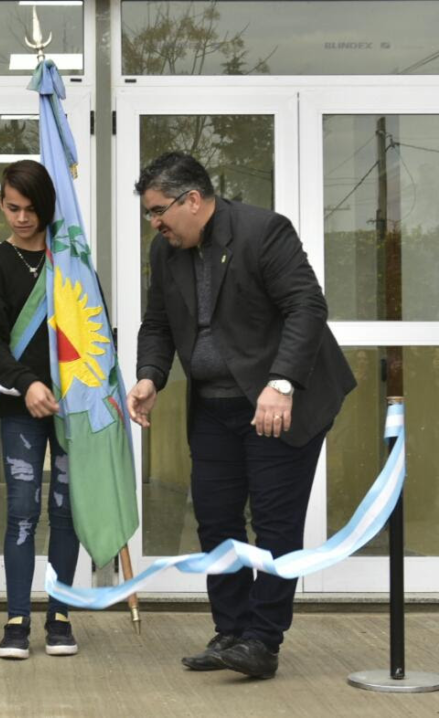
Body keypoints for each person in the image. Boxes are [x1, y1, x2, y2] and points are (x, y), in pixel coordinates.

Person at [127, 152, 356, 679]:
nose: (155, 223)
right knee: (217, 520)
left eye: (159, 210)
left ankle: (262, 641)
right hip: (214, 405)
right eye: (148, 215)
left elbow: (306, 306)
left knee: (275, 524)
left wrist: (281, 384)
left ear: (193, 200)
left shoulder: (262, 231)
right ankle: (231, 631)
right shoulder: (165, 253)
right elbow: (158, 324)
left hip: (281, 401)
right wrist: (150, 377)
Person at [0, 160, 80, 661]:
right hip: (20, 408)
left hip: (72, 408)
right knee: (21, 512)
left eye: (31, 209)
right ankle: (17, 618)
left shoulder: (72, 261)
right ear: (1, 204)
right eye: (12, 208)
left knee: (66, 513)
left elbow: (94, 331)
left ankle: (60, 615)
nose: (21, 218)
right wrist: (26, 382)